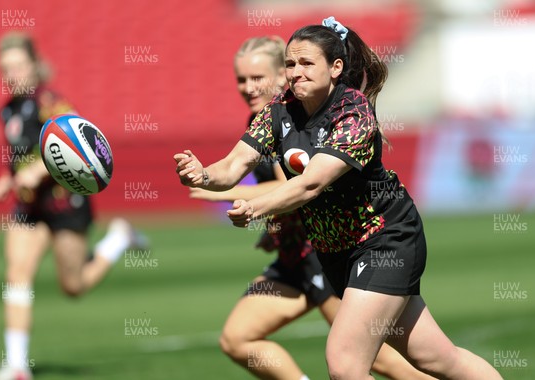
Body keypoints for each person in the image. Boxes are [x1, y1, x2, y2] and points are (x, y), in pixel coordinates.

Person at [175, 18, 503, 380]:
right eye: (290, 64)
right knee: (438, 360)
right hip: (336, 252)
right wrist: (204, 173)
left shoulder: (353, 112)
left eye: (306, 63)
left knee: (345, 365)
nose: (295, 72)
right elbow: (235, 163)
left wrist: (255, 207)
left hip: (384, 240)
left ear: (336, 68)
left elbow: (311, 185)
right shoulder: (279, 110)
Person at [0, 32, 144, 380]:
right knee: (17, 273)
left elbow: (78, 146)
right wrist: (7, 177)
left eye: (18, 65)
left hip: (64, 203)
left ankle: (119, 237)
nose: (12, 74)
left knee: (73, 287)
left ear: (34, 65)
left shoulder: (51, 102)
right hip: (29, 208)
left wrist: (39, 169)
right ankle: (16, 365)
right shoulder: (8, 109)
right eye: (5, 68)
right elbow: (17, 156)